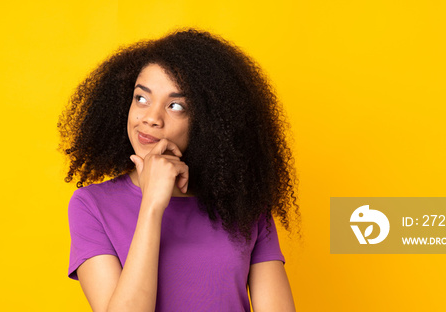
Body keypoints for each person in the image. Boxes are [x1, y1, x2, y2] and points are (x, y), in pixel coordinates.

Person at [59, 28, 300, 312]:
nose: (150, 118)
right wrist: (151, 205)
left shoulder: (245, 207)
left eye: (175, 106)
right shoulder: (92, 206)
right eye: (141, 98)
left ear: (208, 123)